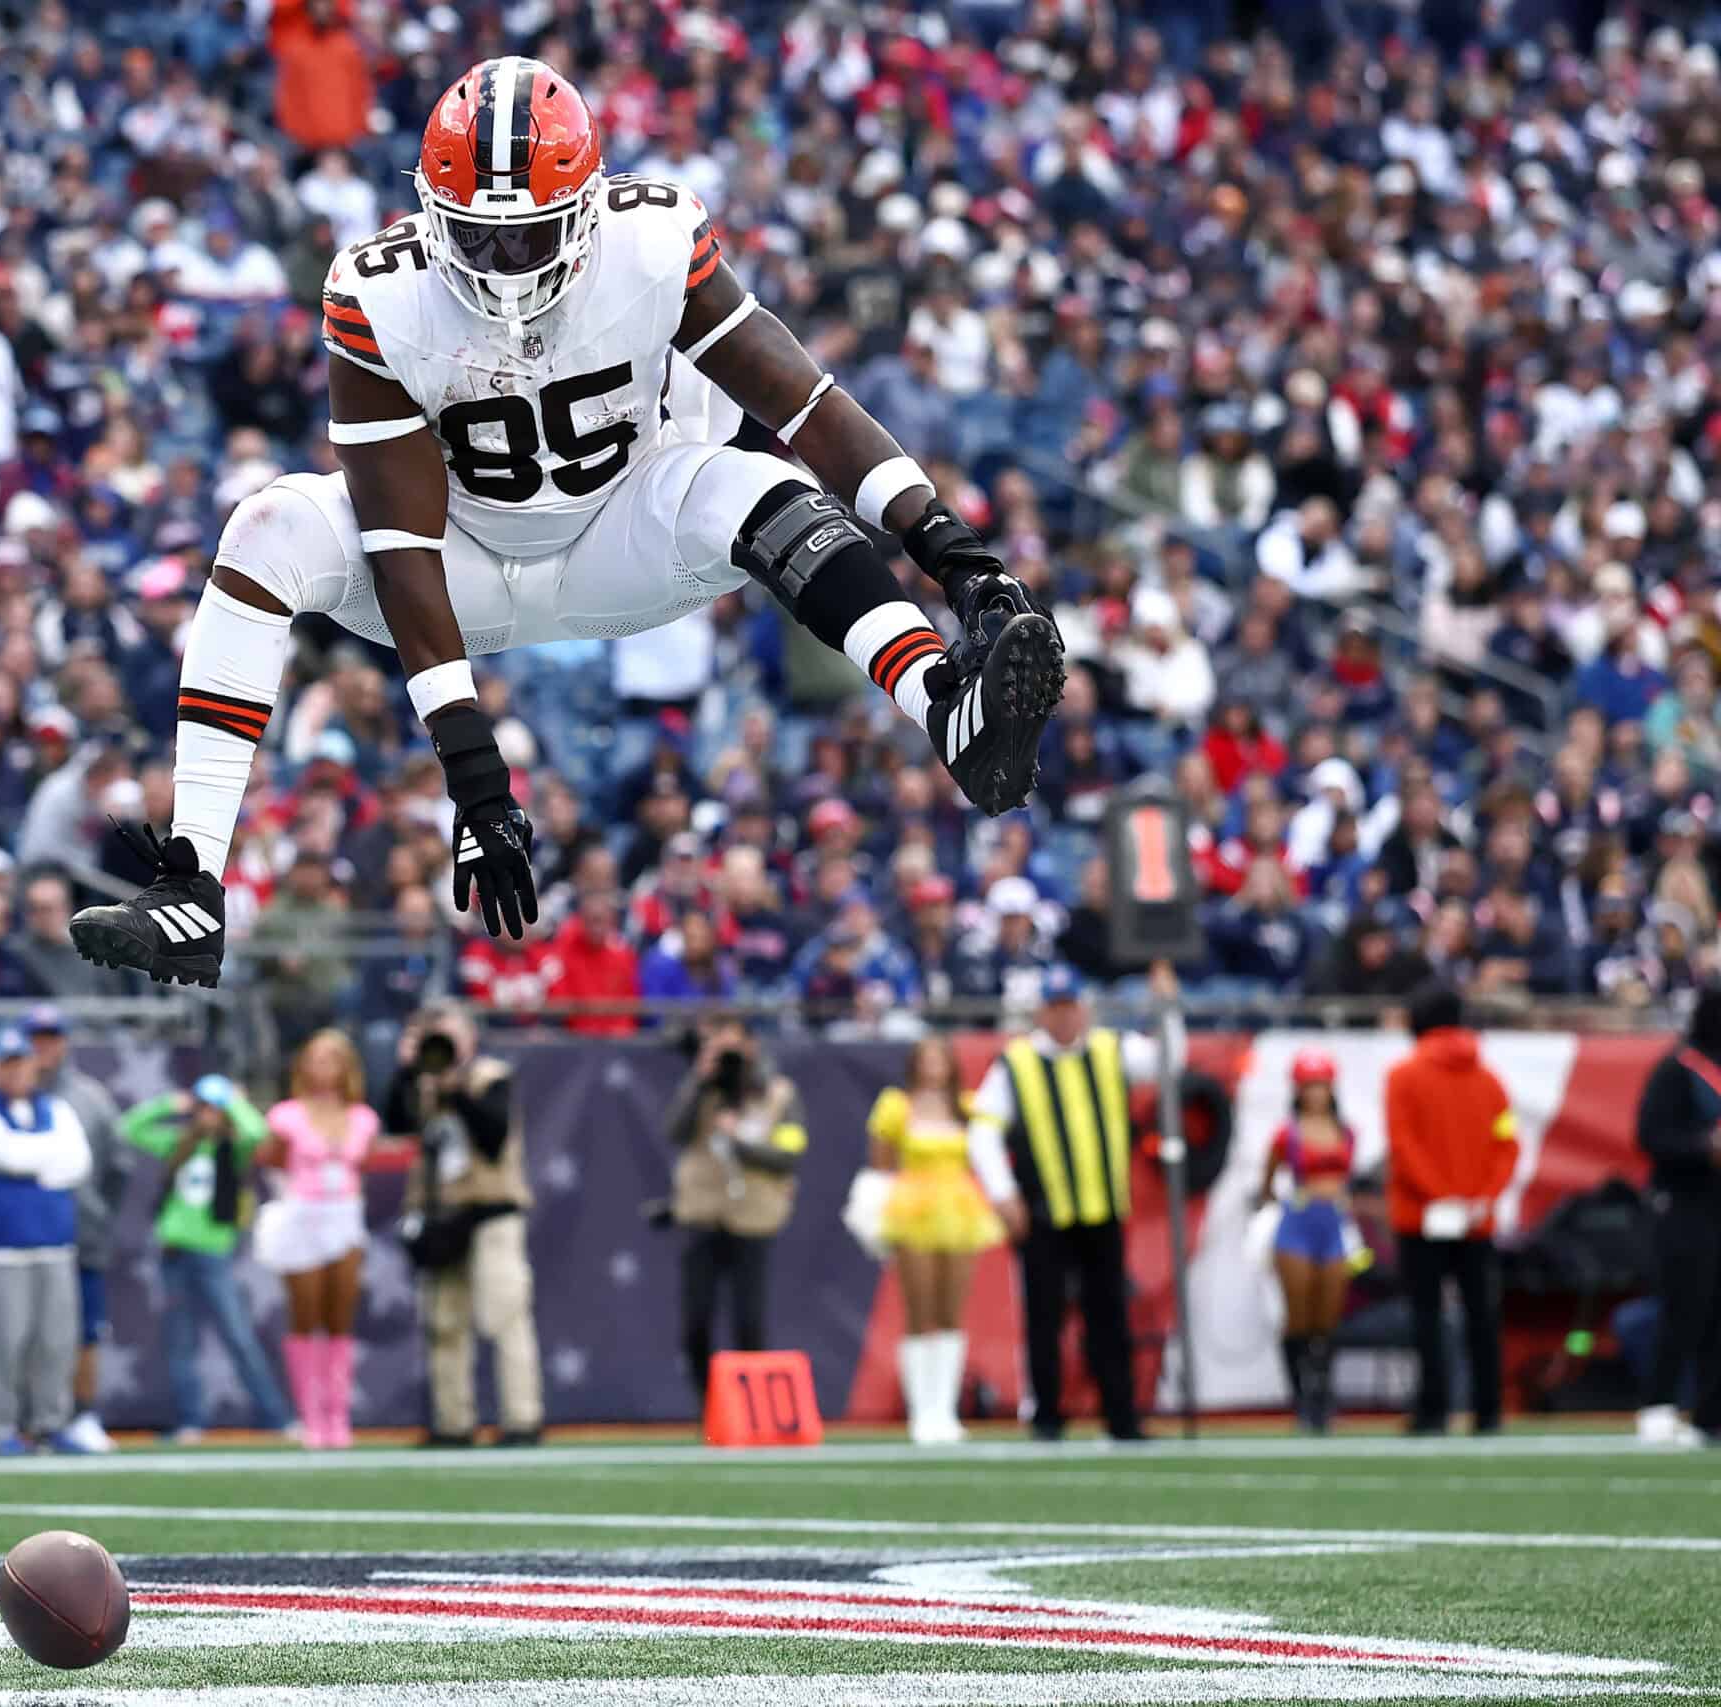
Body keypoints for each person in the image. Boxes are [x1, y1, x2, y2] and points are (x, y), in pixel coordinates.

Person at [70, 54, 1064, 988]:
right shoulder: (377, 291)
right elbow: (401, 544)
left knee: (754, 486)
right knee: (265, 527)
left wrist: (951, 550)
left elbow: (806, 404)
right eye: (478, 234)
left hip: (623, 534)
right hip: (457, 561)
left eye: (530, 234)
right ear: (431, 216)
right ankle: (191, 884)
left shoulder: (654, 238)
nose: (504, 266)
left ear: (587, 210)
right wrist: (475, 778)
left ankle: (945, 707)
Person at [968, 963, 1177, 1442]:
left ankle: (1120, 1416)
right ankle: (1046, 1416)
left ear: (1083, 1009)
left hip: (1101, 1206)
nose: (1064, 1018)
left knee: (1109, 1316)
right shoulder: (1018, 1063)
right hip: (1044, 1211)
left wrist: (1166, 1009)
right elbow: (983, 1131)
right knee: (1043, 1316)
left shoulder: (1110, 1050)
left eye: (1071, 1007)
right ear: (1042, 1012)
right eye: (1055, 1008)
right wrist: (1003, 1195)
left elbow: (1170, 1060)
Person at [387, 1001, 542, 1447]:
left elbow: (493, 1137)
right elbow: (396, 1122)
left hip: (491, 1208)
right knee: (444, 1320)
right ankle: (452, 1421)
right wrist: (407, 1071)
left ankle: (522, 1419)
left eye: (448, 1036)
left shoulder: (490, 1077)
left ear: (469, 1038)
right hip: (442, 1213)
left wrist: (454, 1091)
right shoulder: (422, 1083)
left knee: (504, 1315)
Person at [119, 1073, 295, 1441]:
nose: (210, 1115)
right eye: (206, 1107)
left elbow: (258, 1132)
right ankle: (191, 1421)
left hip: (213, 1254)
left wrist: (235, 1100)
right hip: (174, 1253)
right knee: (180, 1342)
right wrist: (170, 1104)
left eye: (216, 1109)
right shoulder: (179, 1144)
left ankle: (277, 1418)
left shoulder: (234, 1147)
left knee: (239, 1336)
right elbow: (129, 1128)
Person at [255, 1029, 404, 1448]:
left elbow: (366, 1163)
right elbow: (273, 1161)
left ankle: (338, 1415)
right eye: (315, 1059)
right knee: (306, 1313)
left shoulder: (363, 1118)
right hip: (302, 1213)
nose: (323, 1069)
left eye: (332, 1059)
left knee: (340, 1315)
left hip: (344, 1216)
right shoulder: (285, 1116)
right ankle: (310, 1415)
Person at [0, 1026, 94, 1455]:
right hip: (1, 1246)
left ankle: (50, 1423)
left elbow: (77, 1163)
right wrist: (43, 1160)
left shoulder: (57, 1109)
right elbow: (11, 1156)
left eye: (22, 1062)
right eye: (6, 1063)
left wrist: (32, 1161)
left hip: (54, 1240)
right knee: (2, 1341)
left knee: (56, 1341)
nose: (16, 1072)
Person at [1384, 984, 1517, 1436]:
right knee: (1481, 1315)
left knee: (1427, 1316)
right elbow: (1508, 1144)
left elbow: (1403, 1146)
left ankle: (1433, 1410)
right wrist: (1482, 1197)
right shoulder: (1489, 1079)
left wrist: (1441, 1195)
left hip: (1422, 1216)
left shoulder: (1403, 1076)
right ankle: (1488, 1410)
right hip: (1477, 1219)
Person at [665, 1015, 807, 1403]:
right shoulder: (701, 1091)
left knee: (749, 1320)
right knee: (696, 1320)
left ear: (752, 1047)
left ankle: (753, 1408)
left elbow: (788, 1155)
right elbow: (673, 1132)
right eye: (718, 1047)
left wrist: (740, 1142)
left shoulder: (778, 1093)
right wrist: (699, 1078)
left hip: (754, 1216)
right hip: (702, 1214)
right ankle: (709, 1407)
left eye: (733, 1047)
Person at [868, 1034, 1001, 1445]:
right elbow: (882, 1166)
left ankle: (944, 1409)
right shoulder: (896, 1107)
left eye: (939, 1058)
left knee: (951, 1310)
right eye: (925, 1058)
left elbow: (984, 1154)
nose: (933, 1066)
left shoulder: (968, 1107)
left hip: (959, 1209)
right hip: (913, 1208)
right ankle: (921, 1409)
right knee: (919, 1309)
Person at [23, 1005, 126, 1454]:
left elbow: (117, 1168)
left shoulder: (90, 1097)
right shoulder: (8, 1095)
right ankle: (29, 1417)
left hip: (80, 1232)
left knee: (84, 1329)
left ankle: (83, 1413)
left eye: (52, 1037)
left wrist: (95, 1211)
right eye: (36, 1037)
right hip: (24, 1235)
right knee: (24, 1329)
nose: (44, 1046)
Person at [1632, 986, 1721, 1446]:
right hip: (1683, 1201)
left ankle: (1711, 1412)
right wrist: (1703, 1148)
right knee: (1684, 1304)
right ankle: (1658, 1403)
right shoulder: (1678, 1068)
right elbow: (1649, 1135)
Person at [1260, 1051, 1361, 1434]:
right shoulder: (1288, 1134)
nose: (1316, 1093)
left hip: (1332, 1224)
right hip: (1298, 1224)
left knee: (1328, 1316)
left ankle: (1323, 1399)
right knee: (1299, 1316)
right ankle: (1302, 1398)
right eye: (1309, 1085)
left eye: (1321, 1085)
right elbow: (1267, 1180)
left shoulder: (1346, 1130)